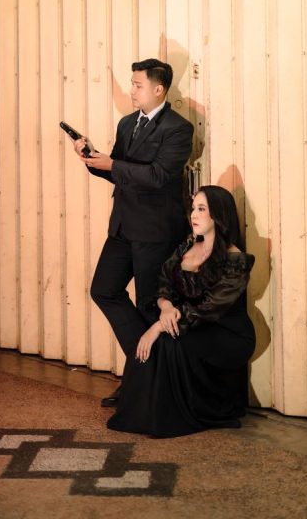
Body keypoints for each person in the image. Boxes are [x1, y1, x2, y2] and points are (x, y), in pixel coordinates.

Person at [74, 58, 194, 406]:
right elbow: (117, 172)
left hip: (155, 231)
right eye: (131, 84)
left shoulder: (178, 128)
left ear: (159, 89)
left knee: (148, 306)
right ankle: (146, 370)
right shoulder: (128, 124)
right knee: (104, 290)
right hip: (123, 225)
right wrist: (92, 159)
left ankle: (149, 386)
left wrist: (114, 163)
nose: (132, 91)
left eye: (138, 85)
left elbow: (159, 176)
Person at [106, 185, 256, 438]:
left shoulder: (236, 260)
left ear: (219, 214)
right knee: (161, 340)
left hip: (228, 333)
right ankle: (143, 412)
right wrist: (165, 306)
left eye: (201, 209)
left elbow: (210, 307)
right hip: (194, 323)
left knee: (168, 340)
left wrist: (158, 326)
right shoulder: (187, 246)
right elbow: (164, 281)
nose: (194, 215)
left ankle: (175, 414)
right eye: (193, 208)